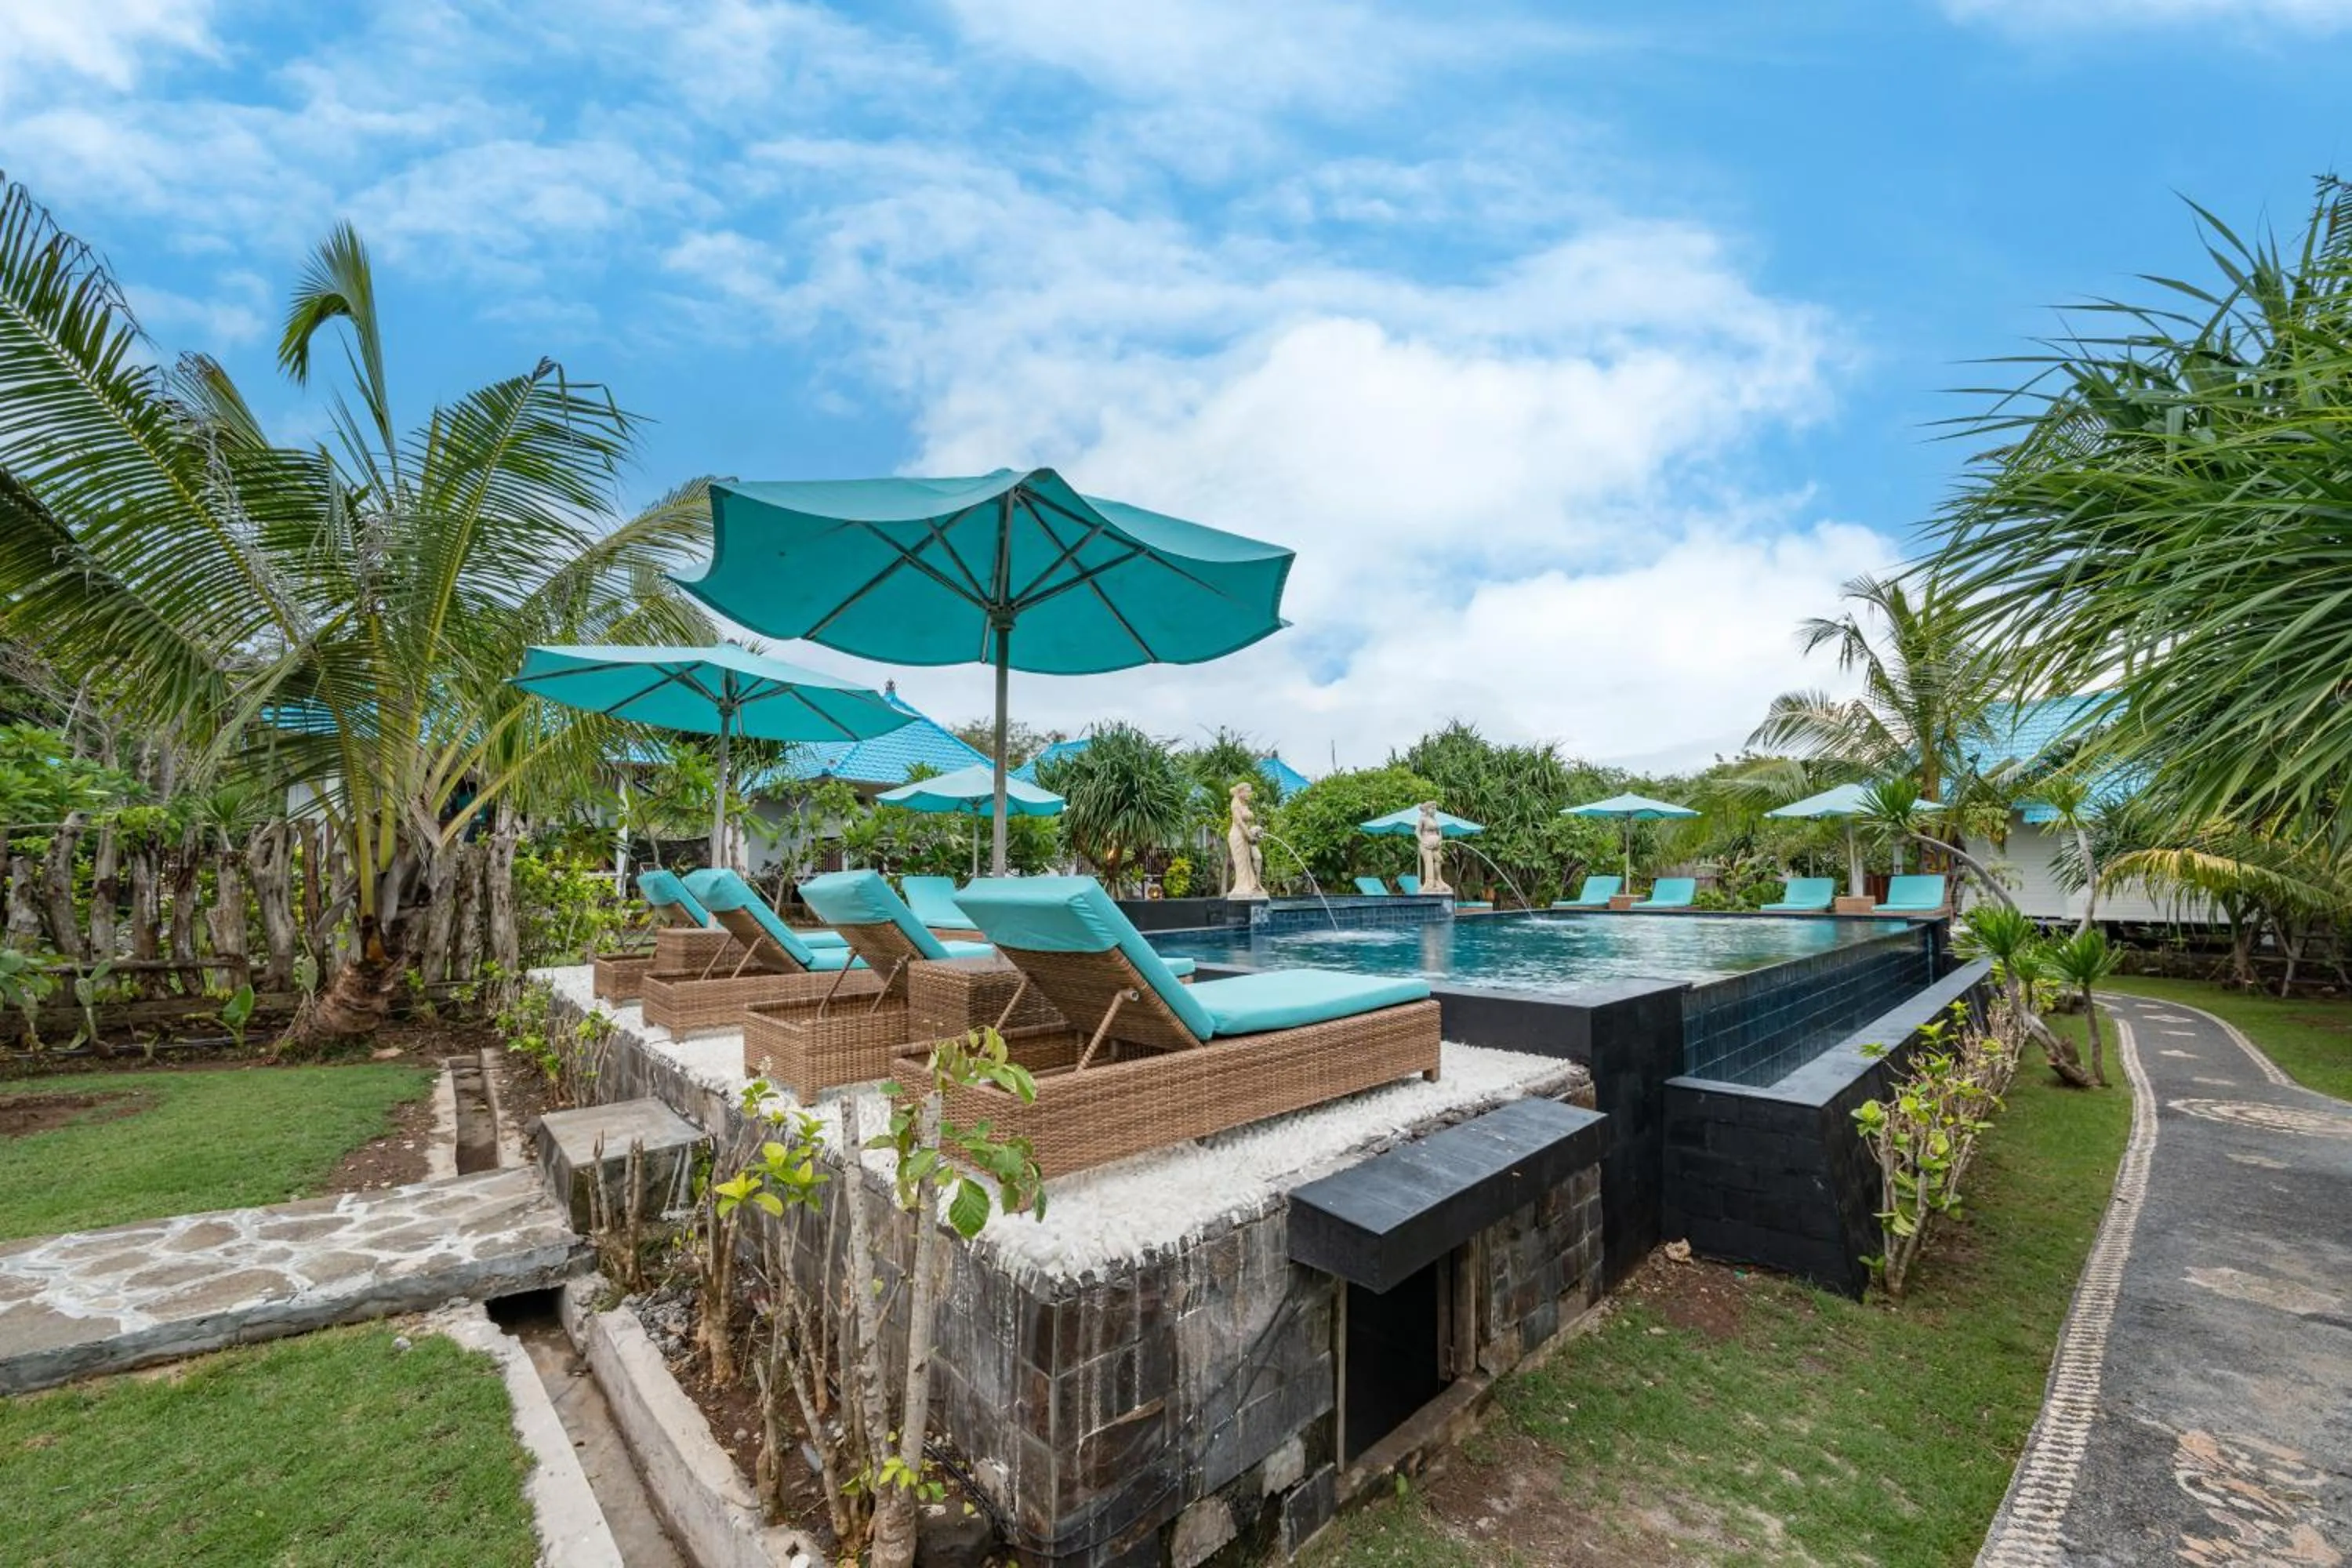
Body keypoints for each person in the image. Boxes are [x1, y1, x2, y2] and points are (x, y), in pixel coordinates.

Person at [1226, 781, 1268, 899]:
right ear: (1240, 793)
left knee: (1247, 862)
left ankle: (1251, 885)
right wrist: (1250, 836)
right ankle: (1241, 887)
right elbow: (1239, 822)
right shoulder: (1235, 803)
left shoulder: (1244, 804)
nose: (1250, 794)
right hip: (1237, 836)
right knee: (1241, 863)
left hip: (1244, 836)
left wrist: (1253, 833)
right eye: (1248, 791)